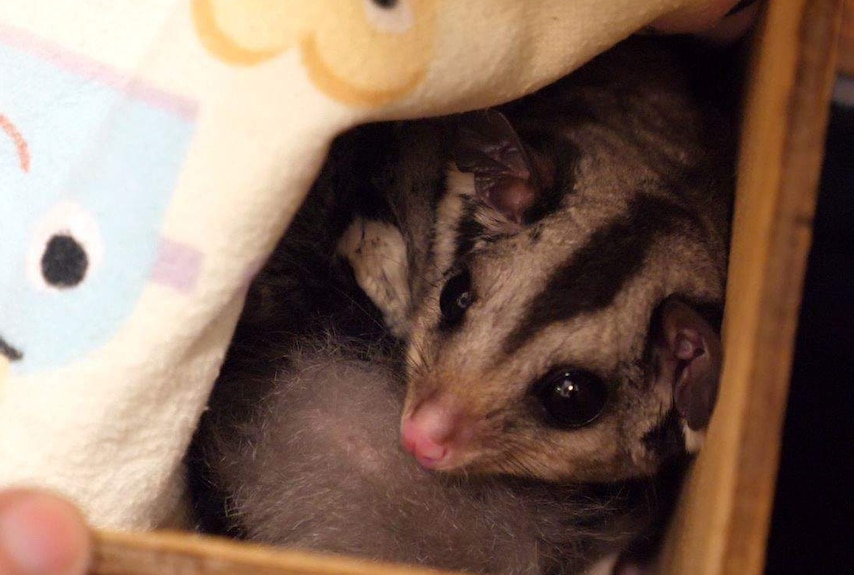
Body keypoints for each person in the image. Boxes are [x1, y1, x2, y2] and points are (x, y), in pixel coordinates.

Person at [0, 2, 759, 573]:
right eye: (460, 300)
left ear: (685, 373)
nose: (426, 424)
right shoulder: (464, 193)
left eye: (566, 392)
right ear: (498, 192)